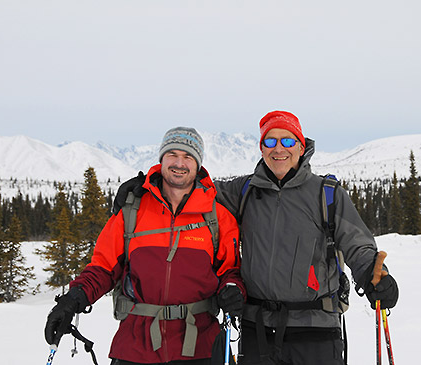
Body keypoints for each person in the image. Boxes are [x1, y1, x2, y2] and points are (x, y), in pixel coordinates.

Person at [114, 112, 399, 365]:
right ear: (261, 147)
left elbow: (358, 244)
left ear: (301, 146)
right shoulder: (244, 191)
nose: (279, 149)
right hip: (257, 328)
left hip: (316, 330)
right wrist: (146, 184)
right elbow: (191, 187)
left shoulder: (327, 194)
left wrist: (374, 276)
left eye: (287, 141)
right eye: (270, 141)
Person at [44, 127, 246, 365]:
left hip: (200, 345)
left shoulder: (216, 217)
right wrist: (73, 300)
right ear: (161, 159)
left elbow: (230, 271)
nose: (179, 163)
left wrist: (233, 289)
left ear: (198, 164)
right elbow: (103, 268)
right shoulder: (132, 211)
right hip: (136, 345)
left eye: (188, 156)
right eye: (172, 154)